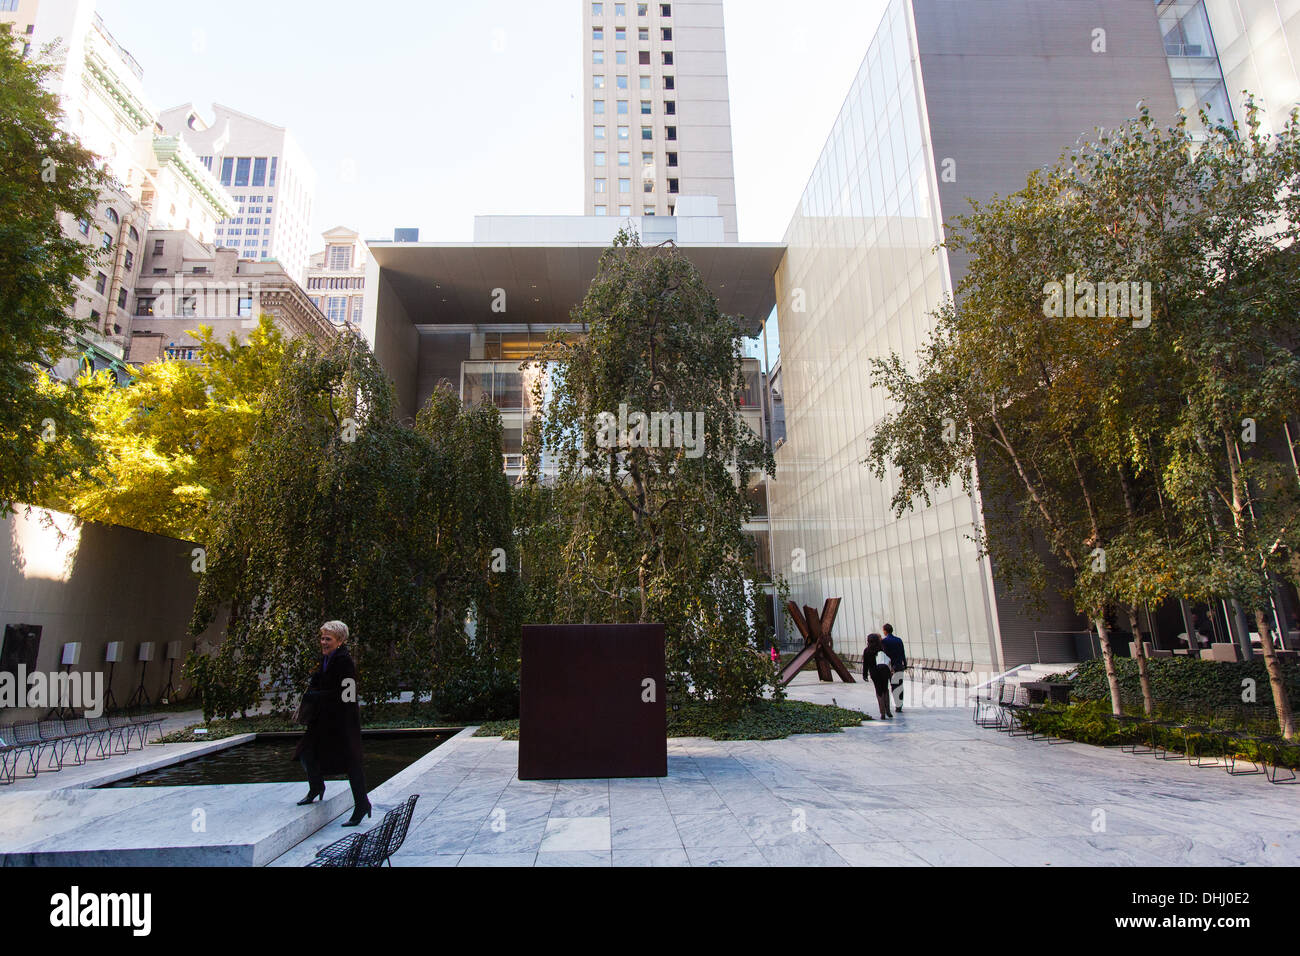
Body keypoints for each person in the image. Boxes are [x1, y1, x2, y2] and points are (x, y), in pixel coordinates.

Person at [293, 620, 371, 827]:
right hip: (324, 719)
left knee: (352, 763)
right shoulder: (327, 659)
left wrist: (317, 696)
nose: (323, 642)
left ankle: (362, 805)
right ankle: (316, 787)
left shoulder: (344, 661)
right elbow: (319, 681)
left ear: (340, 641)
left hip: (342, 722)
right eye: (322, 638)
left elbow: (348, 694)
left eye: (328, 639)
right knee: (306, 752)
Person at [864, 633, 893, 720]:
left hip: (874, 672)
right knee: (885, 689)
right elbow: (889, 658)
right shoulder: (882, 648)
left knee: (878, 690)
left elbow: (865, 664)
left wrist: (864, 674)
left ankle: (882, 713)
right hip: (884, 670)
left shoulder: (867, 651)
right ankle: (888, 710)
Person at [881, 623, 907, 713]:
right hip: (899, 665)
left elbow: (884, 654)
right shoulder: (899, 640)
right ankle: (899, 705)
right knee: (899, 685)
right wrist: (905, 664)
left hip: (891, 667)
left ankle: (897, 704)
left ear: (885, 631)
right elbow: (903, 653)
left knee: (893, 686)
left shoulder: (884, 641)